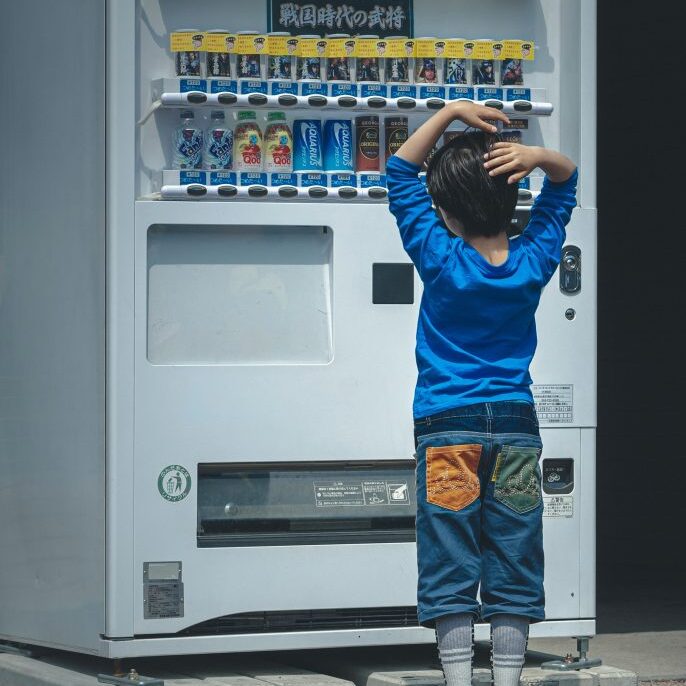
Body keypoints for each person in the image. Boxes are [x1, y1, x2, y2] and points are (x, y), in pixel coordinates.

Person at [385, 101, 577, 686]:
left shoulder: (441, 259)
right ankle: (511, 678)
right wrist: (536, 156)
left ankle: (459, 679)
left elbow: (398, 173)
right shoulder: (533, 260)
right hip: (516, 427)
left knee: (451, 555)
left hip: (448, 426)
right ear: (511, 196)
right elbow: (566, 184)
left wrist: (448, 114)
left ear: (444, 208)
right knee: (515, 552)